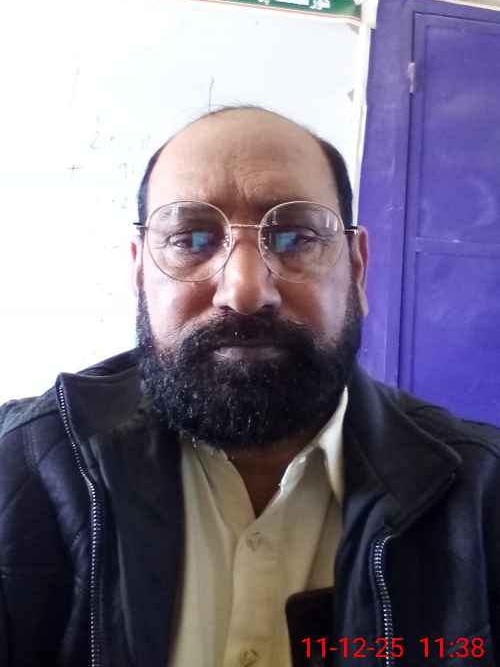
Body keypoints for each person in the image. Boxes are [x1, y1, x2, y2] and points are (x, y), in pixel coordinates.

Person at [0, 106, 499, 667]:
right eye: (191, 238)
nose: (243, 291)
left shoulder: (482, 497)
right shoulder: (20, 470)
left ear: (357, 271)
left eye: (295, 237)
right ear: (140, 274)